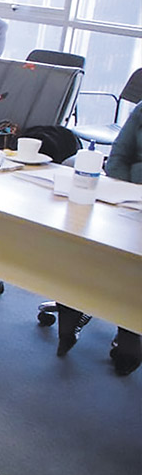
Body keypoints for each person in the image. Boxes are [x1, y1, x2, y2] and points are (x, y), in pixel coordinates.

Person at [53, 102, 142, 376]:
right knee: (82, 240)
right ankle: (74, 308)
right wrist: (128, 194)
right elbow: (118, 157)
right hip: (127, 199)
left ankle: (130, 331)